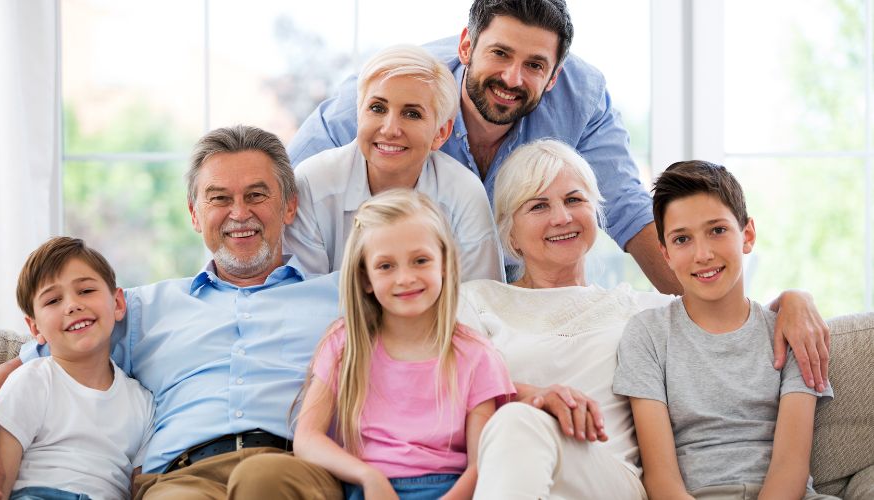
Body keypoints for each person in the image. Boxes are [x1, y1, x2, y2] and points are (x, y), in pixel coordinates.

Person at [0, 125, 344, 500]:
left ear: (290, 206)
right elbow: (24, 364)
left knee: (263, 479)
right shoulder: (141, 309)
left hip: (290, 468)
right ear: (195, 214)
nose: (239, 212)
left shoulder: (339, 296)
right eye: (219, 198)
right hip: (182, 478)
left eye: (256, 195)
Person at [456, 140, 832, 499]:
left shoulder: (640, 311)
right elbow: (443, 384)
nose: (562, 217)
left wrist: (796, 299)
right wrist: (534, 395)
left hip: (606, 478)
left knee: (519, 422)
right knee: (518, 422)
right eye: (538, 206)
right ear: (510, 232)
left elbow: (720, 307)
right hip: (513, 460)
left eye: (575, 200)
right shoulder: (477, 301)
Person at [288, 0, 681, 294]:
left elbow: (628, 208)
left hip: (519, 280)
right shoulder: (399, 89)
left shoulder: (584, 98)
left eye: (534, 65)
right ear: (466, 47)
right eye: (500, 53)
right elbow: (287, 190)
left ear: (555, 75)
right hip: (391, 277)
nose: (512, 78)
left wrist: (698, 315)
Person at [612, 161, 835, 500]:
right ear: (666, 254)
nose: (703, 254)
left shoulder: (790, 331)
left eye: (717, 230)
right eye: (682, 239)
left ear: (747, 235)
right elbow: (661, 480)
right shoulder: (648, 335)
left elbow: (791, 468)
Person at [293, 189, 514, 500]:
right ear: (366, 278)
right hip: (365, 488)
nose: (405, 278)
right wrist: (368, 477)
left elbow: (480, 466)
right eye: (386, 266)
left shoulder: (476, 355)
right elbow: (306, 438)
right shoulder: (344, 344)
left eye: (420, 260)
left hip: (448, 490)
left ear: (444, 264)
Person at [283, 45, 503, 282]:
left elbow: (481, 302)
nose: (389, 130)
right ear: (359, 114)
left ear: (441, 132)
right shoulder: (313, 182)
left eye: (412, 114)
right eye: (377, 108)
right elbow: (304, 299)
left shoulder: (464, 193)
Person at [0, 237, 154, 500]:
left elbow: (140, 488)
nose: (72, 305)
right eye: (53, 300)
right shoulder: (31, 380)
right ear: (35, 328)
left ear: (118, 304)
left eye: (86, 291)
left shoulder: (143, 402)